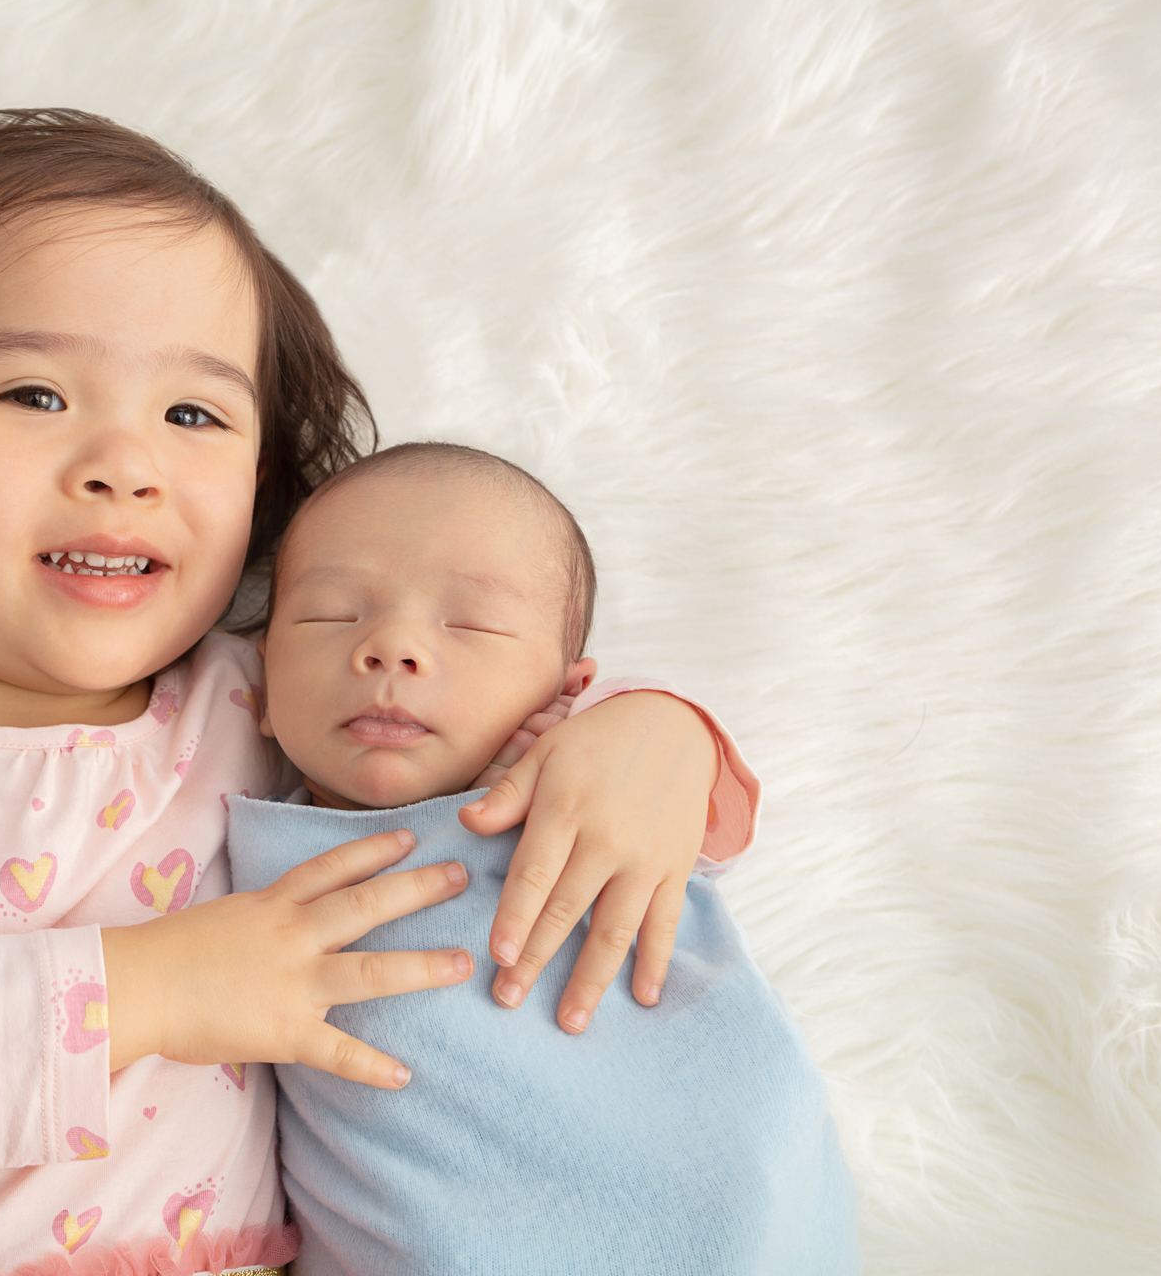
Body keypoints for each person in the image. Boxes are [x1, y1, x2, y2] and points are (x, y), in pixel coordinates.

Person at [0, 110, 755, 1274]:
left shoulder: (260, 706)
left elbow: (476, 708)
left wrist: (652, 732)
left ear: (257, 484)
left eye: (191, 415)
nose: (125, 465)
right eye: (34, 394)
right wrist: (154, 985)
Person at [228, 442, 860, 1275]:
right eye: (332, 613)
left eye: (471, 624)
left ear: (567, 690)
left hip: (737, 1199)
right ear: (262, 686)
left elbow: (713, 816)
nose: (391, 647)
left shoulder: (578, 775)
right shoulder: (225, 821)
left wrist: (658, 721)